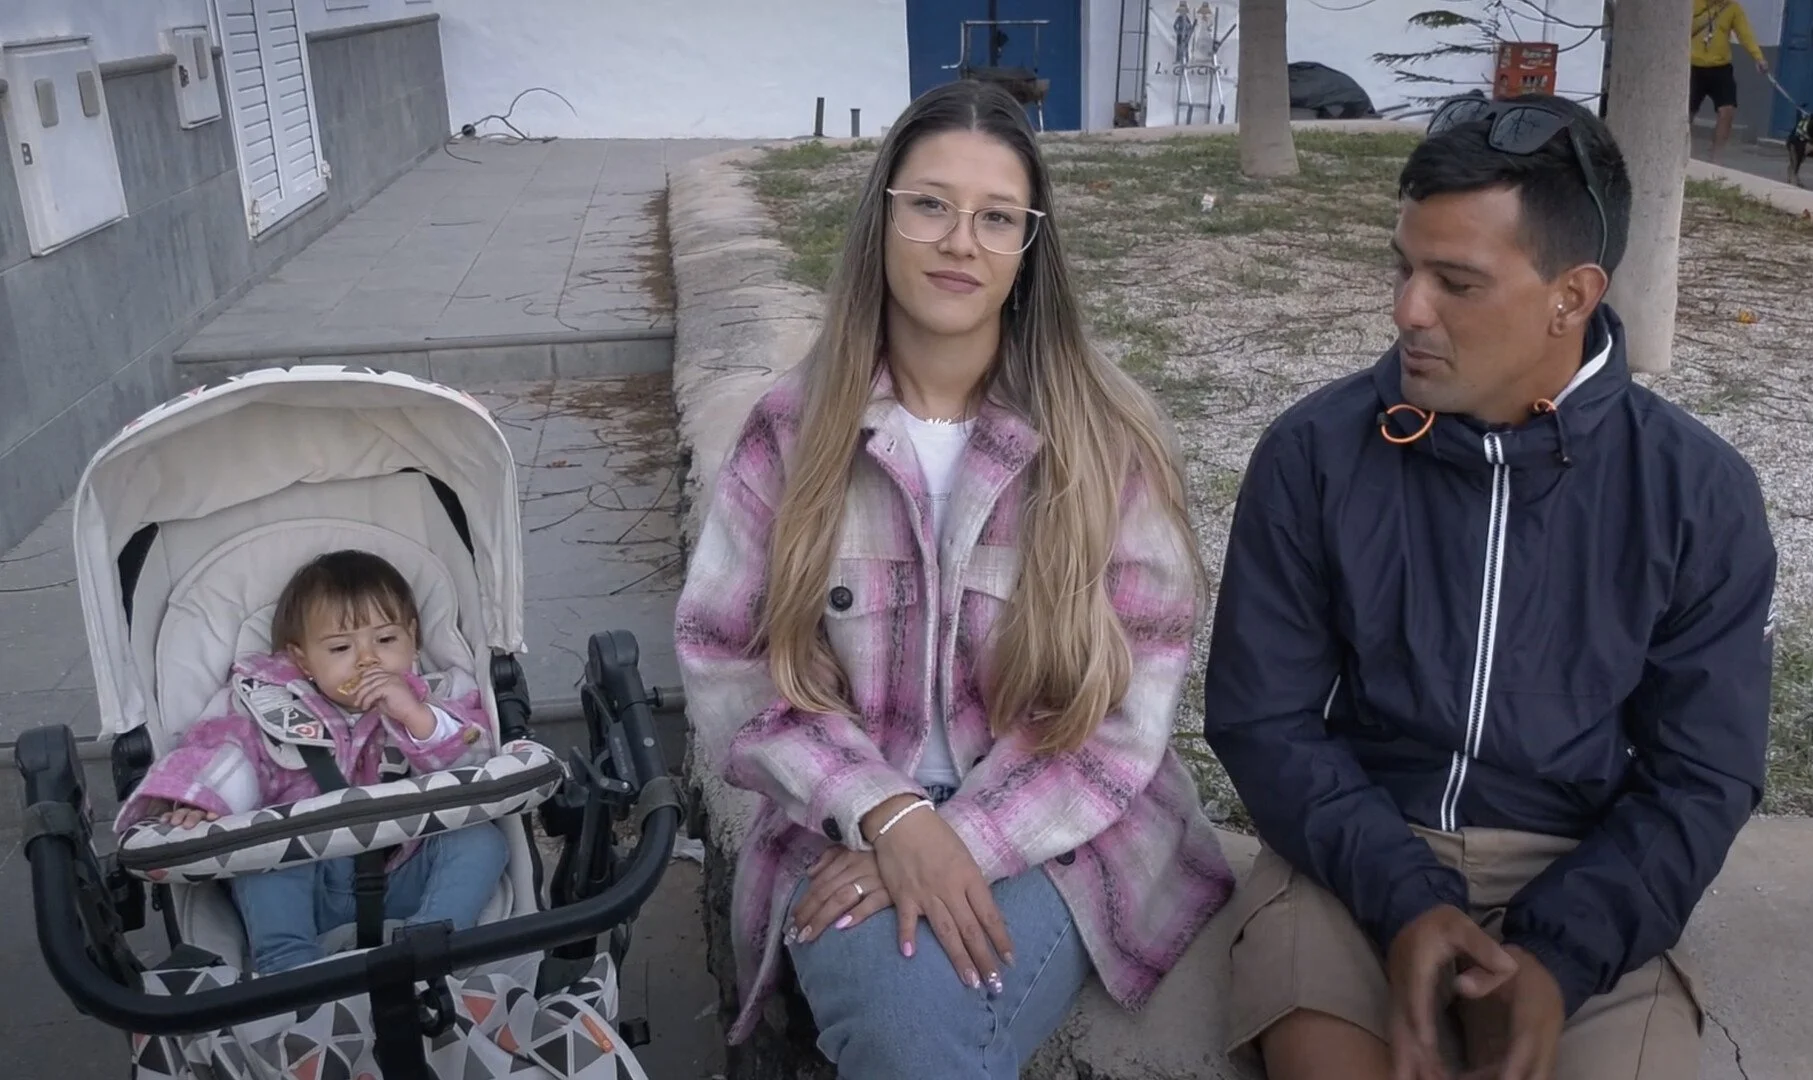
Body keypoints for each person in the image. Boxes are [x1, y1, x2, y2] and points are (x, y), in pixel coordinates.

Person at [1202, 92, 1775, 1080]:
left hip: (1585, 874)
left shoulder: (1696, 494)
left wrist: (1560, 955)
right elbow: (1263, 719)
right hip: (1351, 853)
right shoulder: (1315, 453)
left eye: (1453, 281)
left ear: (1572, 293)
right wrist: (1404, 896)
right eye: (1403, 266)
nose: (1405, 310)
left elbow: (1700, 776)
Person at [674, 79, 1234, 1078]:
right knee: (893, 995)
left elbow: (1127, 711)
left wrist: (958, 838)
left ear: (1029, 247)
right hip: (844, 821)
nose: (959, 240)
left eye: (996, 217)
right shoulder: (792, 434)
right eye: (930, 204)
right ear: (881, 218)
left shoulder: (1103, 440)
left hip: (1061, 828)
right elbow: (731, 663)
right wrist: (888, 814)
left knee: (906, 1018)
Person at [116, 549, 509, 975]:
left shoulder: (438, 695)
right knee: (261, 857)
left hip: (408, 869)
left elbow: (476, 758)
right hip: (309, 883)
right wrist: (202, 801)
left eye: (386, 640)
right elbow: (226, 751)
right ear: (302, 659)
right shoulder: (268, 707)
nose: (367, 659)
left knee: (481, 841)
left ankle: (430, 950)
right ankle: (290, 970)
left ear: (413, 637)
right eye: (341, 647)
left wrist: (416, 716)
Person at [1691, 0, 1770, 164]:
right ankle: (1678, 150)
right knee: (1686, 113)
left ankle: (1716, 158)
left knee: (1727, 111)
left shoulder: (1732, 7)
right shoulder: (1693, 3)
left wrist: (1758, 58)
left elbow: (1745, 34)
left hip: (1720, 68)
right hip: (1693, 67)